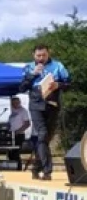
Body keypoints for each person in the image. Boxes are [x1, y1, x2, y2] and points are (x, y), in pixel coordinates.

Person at [20, 44, 70, 181]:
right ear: (33, 55)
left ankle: (36, 167)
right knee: (42, 134)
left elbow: (68, 84)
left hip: (52, 104)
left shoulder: (58, 66)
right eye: (38, 56)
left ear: (49, 54)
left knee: (46, 138)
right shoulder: (28, 67)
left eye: (44, 55)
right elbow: (22, 87)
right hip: (36, 104)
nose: (41, 58)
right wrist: (33, 74)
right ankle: (47, 171)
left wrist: (58, 85)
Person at [9, 96, 31, 169]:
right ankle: (12, 167)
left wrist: (18, 131)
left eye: (16, 103)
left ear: (19, 102)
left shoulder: (23, 111)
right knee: (10, 153)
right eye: (13, 103)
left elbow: (27, 123)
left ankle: (18, 168)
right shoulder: (12, 112)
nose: (14, 104)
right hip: (11, 135)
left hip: (19, 135)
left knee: (16, 152)